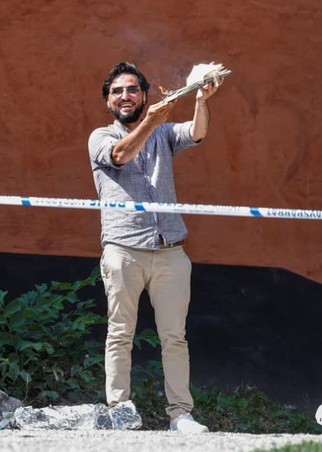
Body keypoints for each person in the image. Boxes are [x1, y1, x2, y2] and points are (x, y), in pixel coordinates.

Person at [87, 62, 223, 433]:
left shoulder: (163, 132)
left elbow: (197, 132)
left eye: (132, 89)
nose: (125, 96)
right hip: (123, 249)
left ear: (144, 95)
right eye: (117, 91)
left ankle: (181, 414)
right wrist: (151, 120)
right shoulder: (100, 136)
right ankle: (120, 410)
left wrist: (201, 98)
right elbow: (120, 155)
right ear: (108, 101)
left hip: (170, 250)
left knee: (174, 338)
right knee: (120, 334)